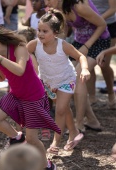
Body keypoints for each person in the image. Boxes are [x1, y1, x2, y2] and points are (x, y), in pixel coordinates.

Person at [0, 22, 61, 170]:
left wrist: (0, 59)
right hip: (16, 95)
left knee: (32, 139)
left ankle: (47, 165)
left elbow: (20, 70)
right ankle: (17, 137)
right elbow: (2, 77)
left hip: (34, 96)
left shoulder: (19, 48)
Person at [27, 8, 89, 154]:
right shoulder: (35, 44)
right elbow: (23, 52)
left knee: (60, 110)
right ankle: (74, 132)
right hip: (48, 82)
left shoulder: (63, 45)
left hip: (66, 80)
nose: (40, 34)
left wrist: (85, 69)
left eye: (45, 31)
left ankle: (56, 141)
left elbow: (81, 56)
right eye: (39, 30)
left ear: (55, 33)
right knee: (64, 108)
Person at [45, 0, 110, 132]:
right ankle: (92, 121)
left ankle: (79, 124)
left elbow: (102, 25)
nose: (46, 2)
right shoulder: (59, 9)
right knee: (68, 76)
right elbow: (66, 31)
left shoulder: (78, 6)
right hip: (79, 42)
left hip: (98, 42)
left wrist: (87, 46)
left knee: (78, 77)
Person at [87, 0, 116, 109]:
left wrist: (97, 20)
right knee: (88, 63)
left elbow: (113, 9)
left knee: (104, 64)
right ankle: (92, 97)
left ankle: (111, 95)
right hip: (89, 27)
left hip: (108, 25)